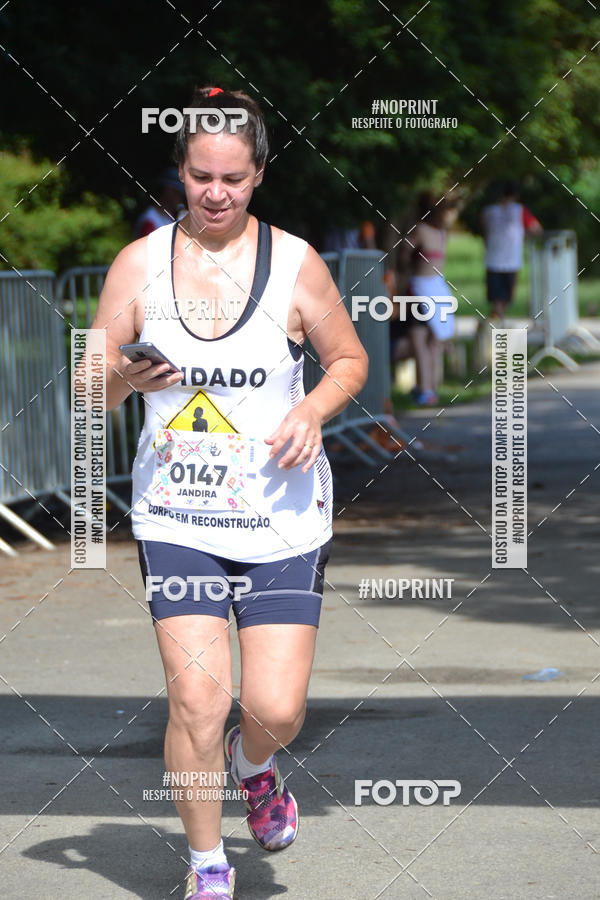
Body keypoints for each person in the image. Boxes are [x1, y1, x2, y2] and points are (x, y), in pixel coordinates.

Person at [92, 85, 368, 899]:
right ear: (179, 171)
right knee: (197, 700)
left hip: (281, 517)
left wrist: (313, 410)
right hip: (179, 516)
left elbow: (350, 360)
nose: (215, 193)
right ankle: (208, 865)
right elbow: (86, 390)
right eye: (200, 176)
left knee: (276, 709)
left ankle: (257, 767)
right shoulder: (138, 265)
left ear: (258, 175)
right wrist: (119, 374)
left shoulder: (295, 263)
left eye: (233, 179)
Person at [395, 191, 455, 406]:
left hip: (419, 291)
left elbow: (403, 256)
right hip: (439, 290)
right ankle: (431, 388)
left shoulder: (418, 231)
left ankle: (424, 389)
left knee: (418, 342)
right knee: (432, 342)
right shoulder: (441, 234)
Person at [481, 180, 542, 319]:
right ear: (516, 195)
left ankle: (496, 318)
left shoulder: (488, 211)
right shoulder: (520, 210)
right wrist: (522, 234)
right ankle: (498, 318)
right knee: (507, 296)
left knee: (496, 297)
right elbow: (536, 229)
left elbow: (485, 232)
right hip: (512, 258)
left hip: (493, 258)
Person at [135, 167, 187, 237]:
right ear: (168, 190)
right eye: (177, 193)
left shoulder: (169, 218)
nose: (180, 198)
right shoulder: (151, 220)